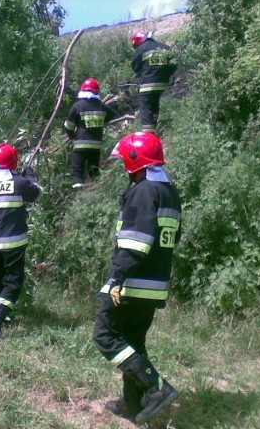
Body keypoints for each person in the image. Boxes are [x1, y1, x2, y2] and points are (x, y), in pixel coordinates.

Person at [93, 131, 182, 425]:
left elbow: (134, 242)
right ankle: (131, 404)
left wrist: (116, 277)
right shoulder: (169, 191)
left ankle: (155, 387)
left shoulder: (143, 191)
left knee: (105, 335)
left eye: (124, 160)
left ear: (135, 161)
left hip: (133, 281)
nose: (123, 166)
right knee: (133, 342)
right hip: (154, 285)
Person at [0, 142, 42, 340]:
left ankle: (0, 315)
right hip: (14, 242)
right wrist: (29, 174)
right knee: (13, 282)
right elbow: (37, 193)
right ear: (13, 163)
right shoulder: (19, 183)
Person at [63, 77, 115, 190]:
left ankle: (79, 194)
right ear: (96, 91)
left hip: (80, 145)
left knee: (77, 172)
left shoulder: (78, 105)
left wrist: (73, 137)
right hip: (96, 145)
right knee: (94, 171)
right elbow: (111, 116)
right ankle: (96, 193)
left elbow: (68, 126)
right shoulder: (101, 106)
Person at [131, 31, 177, 133]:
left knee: (146, 109)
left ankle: (148, 135)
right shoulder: (165, 47)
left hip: (147, 84)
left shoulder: (141, 49)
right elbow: (174, 65)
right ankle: (154, 128)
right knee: (154, 104)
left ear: (138, 42)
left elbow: (135, 67)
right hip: (162, 84)